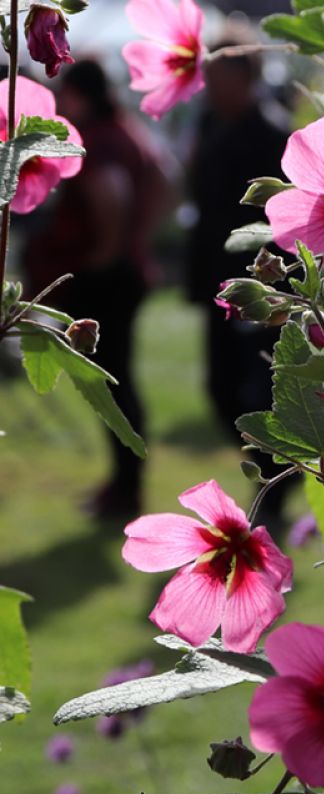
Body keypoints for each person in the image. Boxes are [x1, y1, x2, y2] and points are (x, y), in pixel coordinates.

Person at [24, 58, 169, 519]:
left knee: (110, 386)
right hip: (125, 271)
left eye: (65, 93)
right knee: (118, 381)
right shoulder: (126, 130)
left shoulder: (97, 140)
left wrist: (104, 253)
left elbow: (111, 192)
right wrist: (140, 237)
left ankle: (125, 490)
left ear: (80, 95)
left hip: (105, 279)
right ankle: (123, 486)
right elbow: (167, 181)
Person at [185, 37, 291, 524]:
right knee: (219, 388)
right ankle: (273, 471)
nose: (209, 87)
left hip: (261, 285)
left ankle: (277, 487)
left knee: (261, 391)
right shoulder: (209, 122)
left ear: (248, 78)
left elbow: (286, 223)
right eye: (207, 77)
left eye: (220, 78)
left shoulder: (271, 132)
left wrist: (277, 293)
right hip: (217, 278)